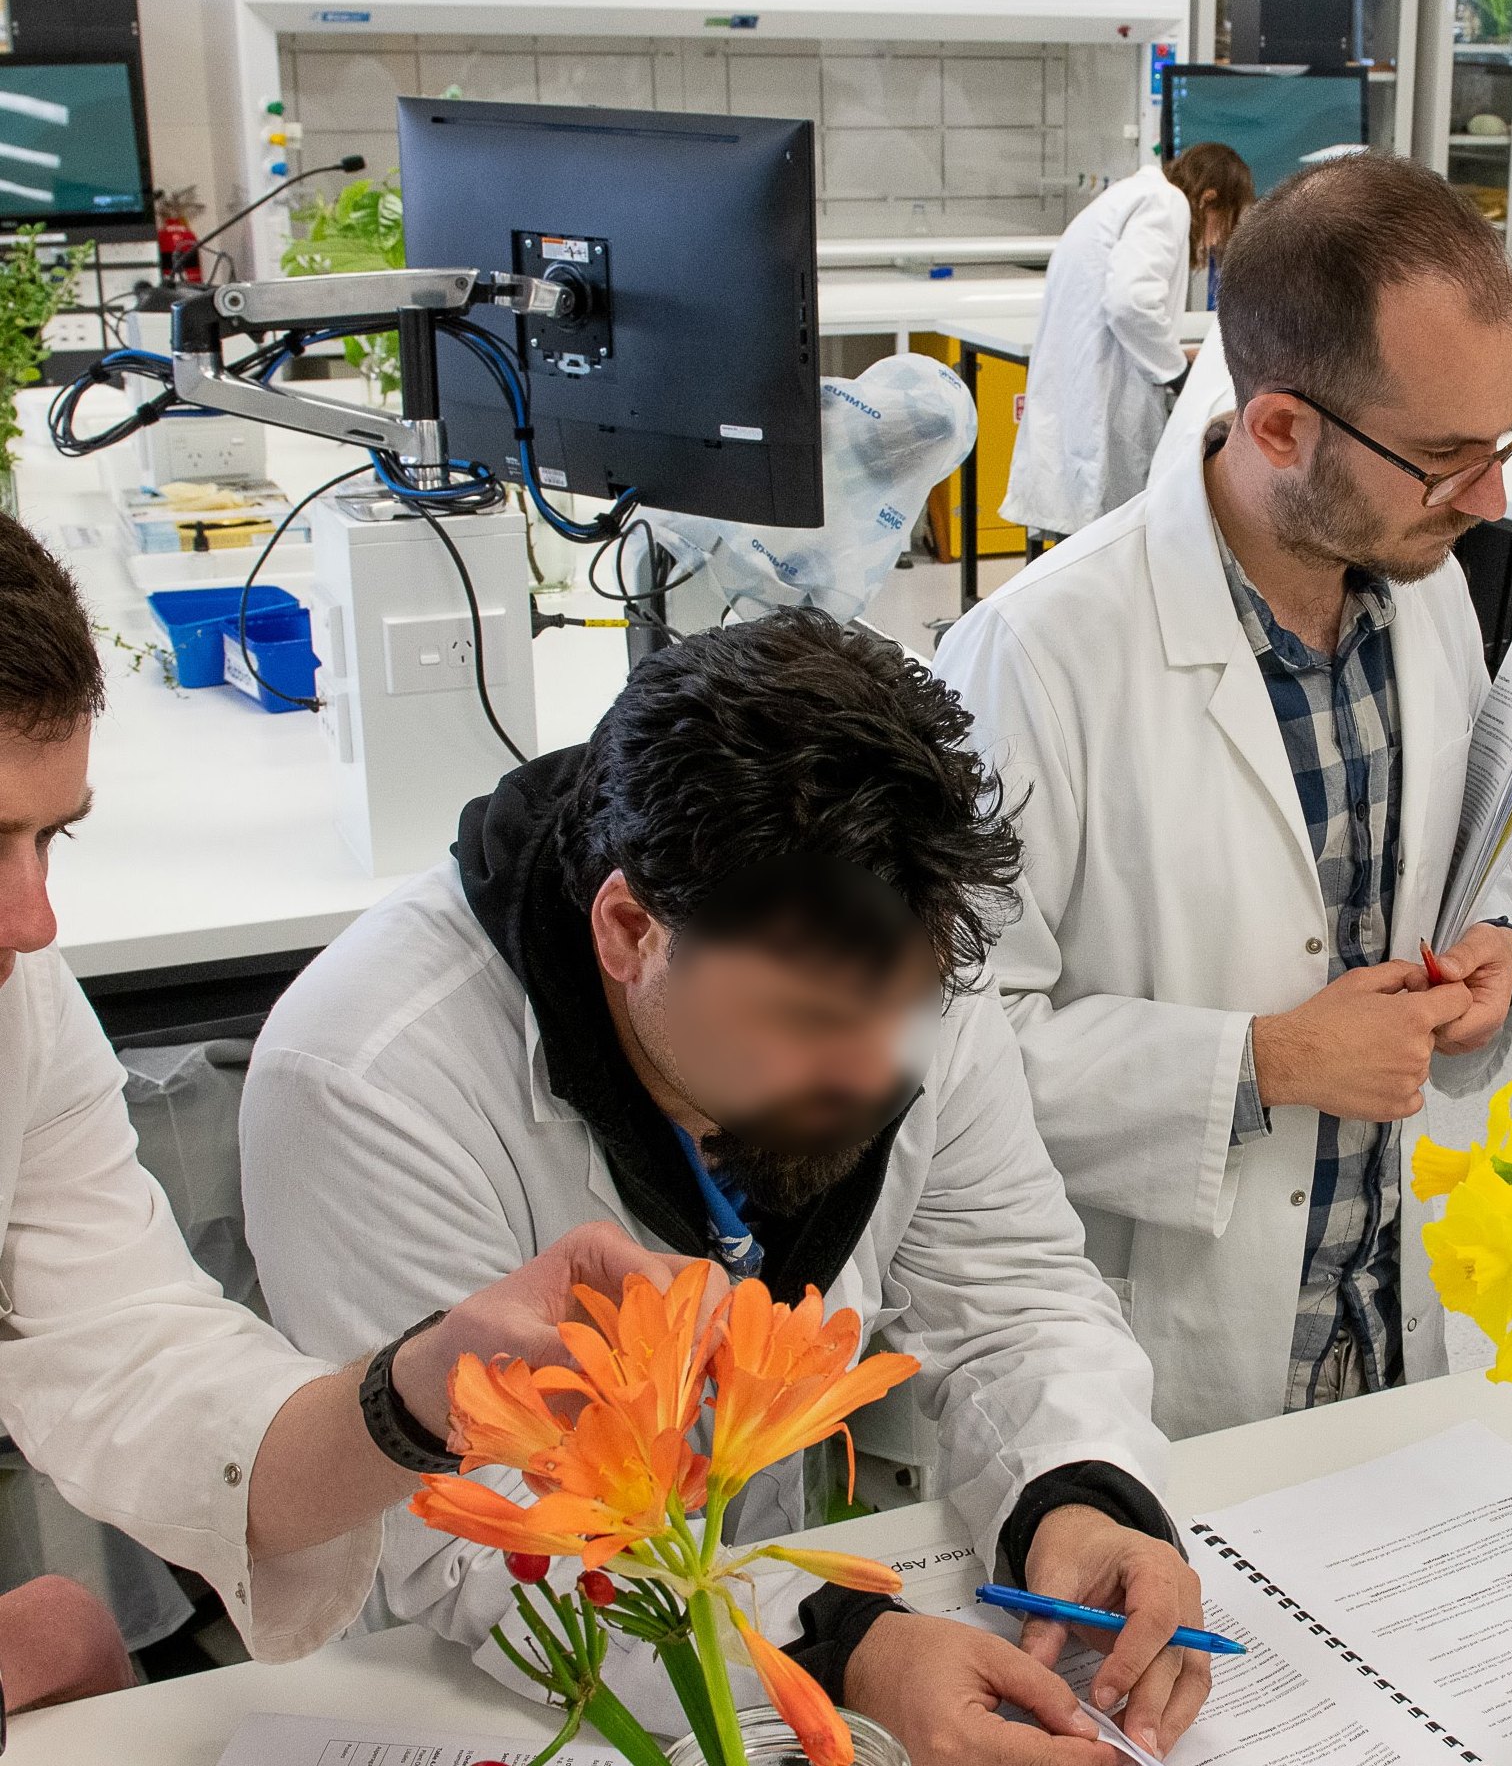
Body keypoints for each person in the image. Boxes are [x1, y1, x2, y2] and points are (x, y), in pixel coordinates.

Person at [241, 612, 1211, 1763]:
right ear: (627, 928)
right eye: (808, 1024)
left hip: (755, 1634)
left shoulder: (888, 950)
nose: (874, 1070)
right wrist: (846, 1648)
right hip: (489, 1697)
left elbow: (1011, 1296)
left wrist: (1077, 1495)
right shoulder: (367, 1072)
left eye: (900, 1011)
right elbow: (477, 1536)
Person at [0, 512, 703, 1696]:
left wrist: (433, 1384)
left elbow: (145, 1371)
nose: (34, 922)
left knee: (68, 1632)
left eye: (49, 841)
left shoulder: (24, 1007)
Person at [934, 154, 1512, 1439]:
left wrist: (1494, 946)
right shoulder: (1034, 655)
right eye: (1445, 457)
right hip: (1162, 1366)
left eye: (1503, 436)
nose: (1491, 500)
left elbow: (1469, 863)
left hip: (1388, 1325)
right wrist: (1265, 1061)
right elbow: (937, 1057)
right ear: (1277, 429)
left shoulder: (1422, 594)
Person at [1003, 143, 1257, 539]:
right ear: (1210, 199)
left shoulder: (1129, 197)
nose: (1216, 242)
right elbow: (1130, 303)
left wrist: (1175, 353)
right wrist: (1176, 374)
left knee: (1085, 552)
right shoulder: (1166, 202)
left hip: (1079, 398)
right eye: (1225, 223)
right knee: (1110, 548)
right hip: (1101, 411)